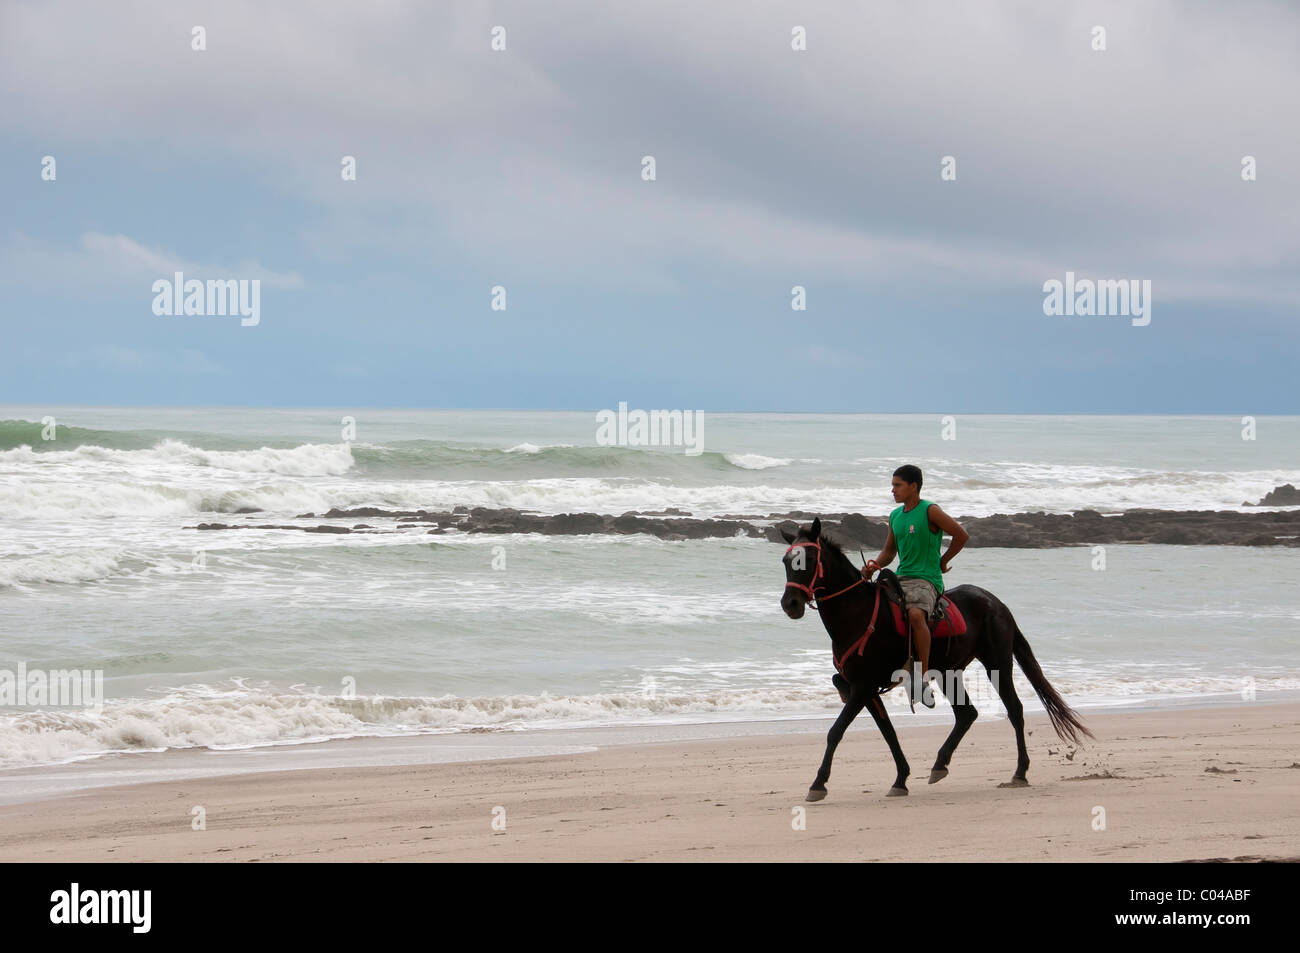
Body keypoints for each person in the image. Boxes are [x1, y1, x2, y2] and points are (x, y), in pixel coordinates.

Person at [862, 464, 969, 708]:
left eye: (897, 485)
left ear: (913, 486)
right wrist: (873, 566)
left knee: (915, 615)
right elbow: (889, 552)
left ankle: (922, 677)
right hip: (900, 577)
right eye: (892, 485)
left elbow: (961, 535)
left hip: (926, 580)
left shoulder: (930, 511)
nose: (893, 490)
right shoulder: (895, 516)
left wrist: (944, 561)